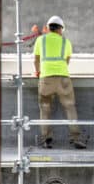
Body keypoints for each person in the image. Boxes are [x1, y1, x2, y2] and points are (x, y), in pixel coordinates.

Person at [33, 15, 85, 149]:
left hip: (46, 79)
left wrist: (38, 72)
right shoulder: (65, 42)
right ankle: (76, 138)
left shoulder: (40, 40)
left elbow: (36, 60)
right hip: (63, 79)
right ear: (60, 29)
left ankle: (47, 139)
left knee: (45, 109)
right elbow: (66, 61)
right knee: (70, 108)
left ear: (49, 28)